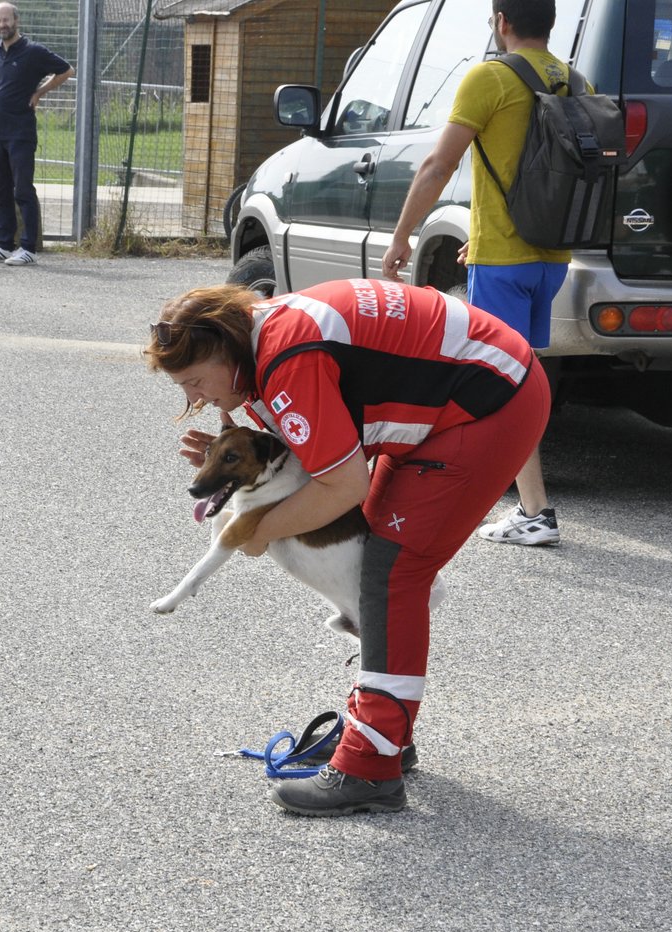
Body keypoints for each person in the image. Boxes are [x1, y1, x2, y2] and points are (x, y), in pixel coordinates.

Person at [144, 279, 550, 816]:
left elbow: (342, 484)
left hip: (490, 403)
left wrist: (257, 531)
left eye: (195, 381)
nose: (195, 400)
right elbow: (310, 446)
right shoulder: (262, 337)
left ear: (224, 348)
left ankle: (372, 765)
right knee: (380, 568)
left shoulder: (287, 360)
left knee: (391, 574)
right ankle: (383, 734)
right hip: (473, 389)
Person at [382, 0, 572, 547]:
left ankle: (534, 510)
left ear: (502, 22)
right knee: (523, 376)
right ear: (550, 22)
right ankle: (526, 505)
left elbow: (438, 166)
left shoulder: (490, 78)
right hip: (550, 259)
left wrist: (402, 236)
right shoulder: (571, 78)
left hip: (505, 262)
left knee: (501, 385)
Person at [0, 2, 73, 267]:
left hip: (21, 133)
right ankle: (4, 244)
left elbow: (66, 70)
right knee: (2, 191)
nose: (2, 25)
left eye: (6, 20)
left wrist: (39, 92)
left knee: (23, 190)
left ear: (16, 21)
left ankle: (28, 247)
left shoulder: (33, 52)